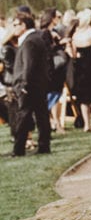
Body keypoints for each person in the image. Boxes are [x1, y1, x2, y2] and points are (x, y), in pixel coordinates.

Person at [10, 11, 53, 156]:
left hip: (30, 86)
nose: (13, 28)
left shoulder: (29, 41)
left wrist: (24, 85)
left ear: (23, 25)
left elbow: (29, 65)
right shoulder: (36, 38)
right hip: (38, 85)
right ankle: (43, 146)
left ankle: (18, 150)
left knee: (23, 116)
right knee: (41, 116)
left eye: (16, 24)